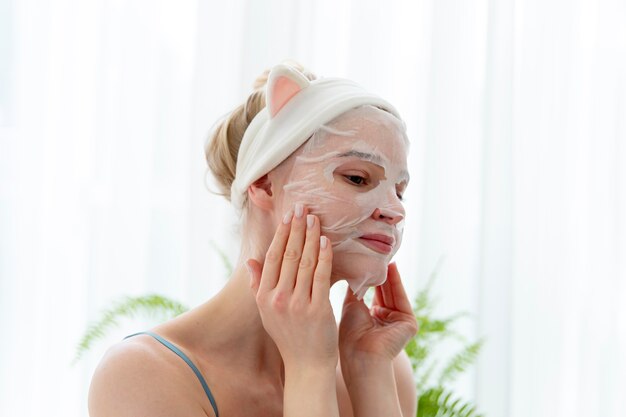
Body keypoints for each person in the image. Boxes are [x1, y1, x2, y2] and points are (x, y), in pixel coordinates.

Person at [88, 61, 418, 417]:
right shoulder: (145, 376)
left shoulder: (380, 363)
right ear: (262, 183)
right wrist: (308, 370)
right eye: (357, 178)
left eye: (399, 190)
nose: (394, 211)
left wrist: (370, 376)